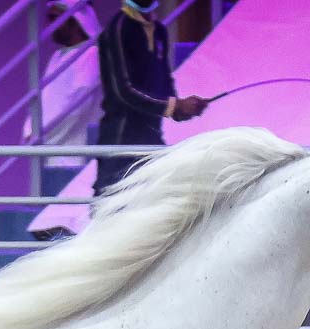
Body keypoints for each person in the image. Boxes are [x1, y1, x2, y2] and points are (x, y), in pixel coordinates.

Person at [93, 0, 206, 198]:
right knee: (109, 200)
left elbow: (163, 77)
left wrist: (179, 109)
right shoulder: (118, 29)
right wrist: (173, 106)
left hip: (150, 133)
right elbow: (124, 91)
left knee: (157, 199)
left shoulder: (159, 31)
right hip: (121, 136)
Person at [21, 2, 100, 170]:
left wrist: (42, 136)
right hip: (51, 152)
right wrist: (30, 131)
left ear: (76, 21)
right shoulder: (58, 56)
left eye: (54, 18)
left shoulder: (91, 55)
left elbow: (77, 106)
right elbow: (42, 99)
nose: (50, 25)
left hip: (74, 157)